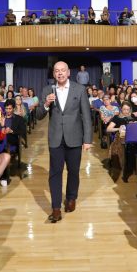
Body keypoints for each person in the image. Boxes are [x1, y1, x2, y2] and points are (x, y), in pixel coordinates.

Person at [35, 62, 93, 223]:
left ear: (68, 73)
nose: (60, 73)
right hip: (55, 138)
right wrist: (46, 104)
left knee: (73, 171)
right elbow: (38, 115)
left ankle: (71, 198)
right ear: (54, 74)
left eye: (62, 70)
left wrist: (87, 139)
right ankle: (55, 208)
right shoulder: (47, 90)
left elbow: (86, 116)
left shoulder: (79, 89)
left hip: (75, 137)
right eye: (56, 71)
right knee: (55, 173)